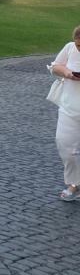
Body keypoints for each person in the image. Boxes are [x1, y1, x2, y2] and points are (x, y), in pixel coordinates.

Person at [49, 25, 80, 201]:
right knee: (66, 146)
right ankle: (75, 184)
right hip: (70, 107)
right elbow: (54, 67)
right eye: (79, 45)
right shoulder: (69, 48)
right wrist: (67, 72)